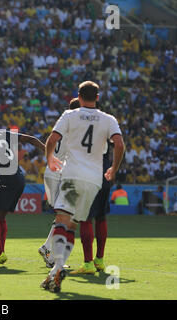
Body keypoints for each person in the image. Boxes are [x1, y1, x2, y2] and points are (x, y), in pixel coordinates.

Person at [41, 81, 125, 293]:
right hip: (94, 180)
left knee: (63, 220)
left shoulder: (70, 115)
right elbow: (120, 144)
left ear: (78, 96)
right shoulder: (109, 119)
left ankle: (58, 268)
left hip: (72, 175)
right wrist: (113, 169)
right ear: (97, 97)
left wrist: (49, 158)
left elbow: (52, 139)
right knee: (74, 223)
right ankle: (54, 273)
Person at [0, 114, 50, 267]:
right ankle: (0, 253)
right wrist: (47, 150)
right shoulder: (4, 133)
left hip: (7, 178)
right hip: (19, 177)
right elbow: (31, 139)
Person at [38, 98, 80, 268]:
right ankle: (49, 250)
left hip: (51, 172)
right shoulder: (76, 129)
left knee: (64, 215)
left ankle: (49, 250)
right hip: (60, 175)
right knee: (65, 216)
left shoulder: (62, 124)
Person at [71, 141, 114, 274]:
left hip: (88, 173)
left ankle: (88, 263)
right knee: (101, 217)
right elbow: (118, 144)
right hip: (105, 171)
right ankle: (99, 260)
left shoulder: (81, 122)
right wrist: (114, 168)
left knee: (86, 218)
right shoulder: (107, 121)